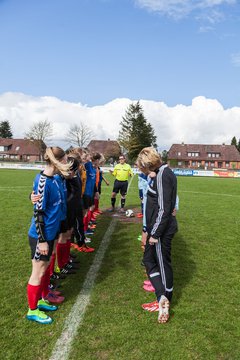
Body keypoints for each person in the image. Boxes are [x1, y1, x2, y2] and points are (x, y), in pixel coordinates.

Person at [26, 147, 70, 324]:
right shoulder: (43, 180)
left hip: (51, 233)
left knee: (44, 269)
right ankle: (32, 310)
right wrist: (42, 241)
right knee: (37, 272)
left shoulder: (56, 179)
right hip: (40, 236)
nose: (67, 163)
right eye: (65, 160)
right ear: (56, 162)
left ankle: (42, 299)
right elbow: (38, 214)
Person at [136, 147, 178, 324]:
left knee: (162, 263)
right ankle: (161, 297)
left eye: (142, 167)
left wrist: (155, 234)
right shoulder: (161, 172)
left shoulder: (162, 175)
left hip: (161, 230)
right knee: (149, 261)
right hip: (157, 227)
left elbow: (164, 208)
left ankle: (165, 298)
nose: (142, 170)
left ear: (148, 164)